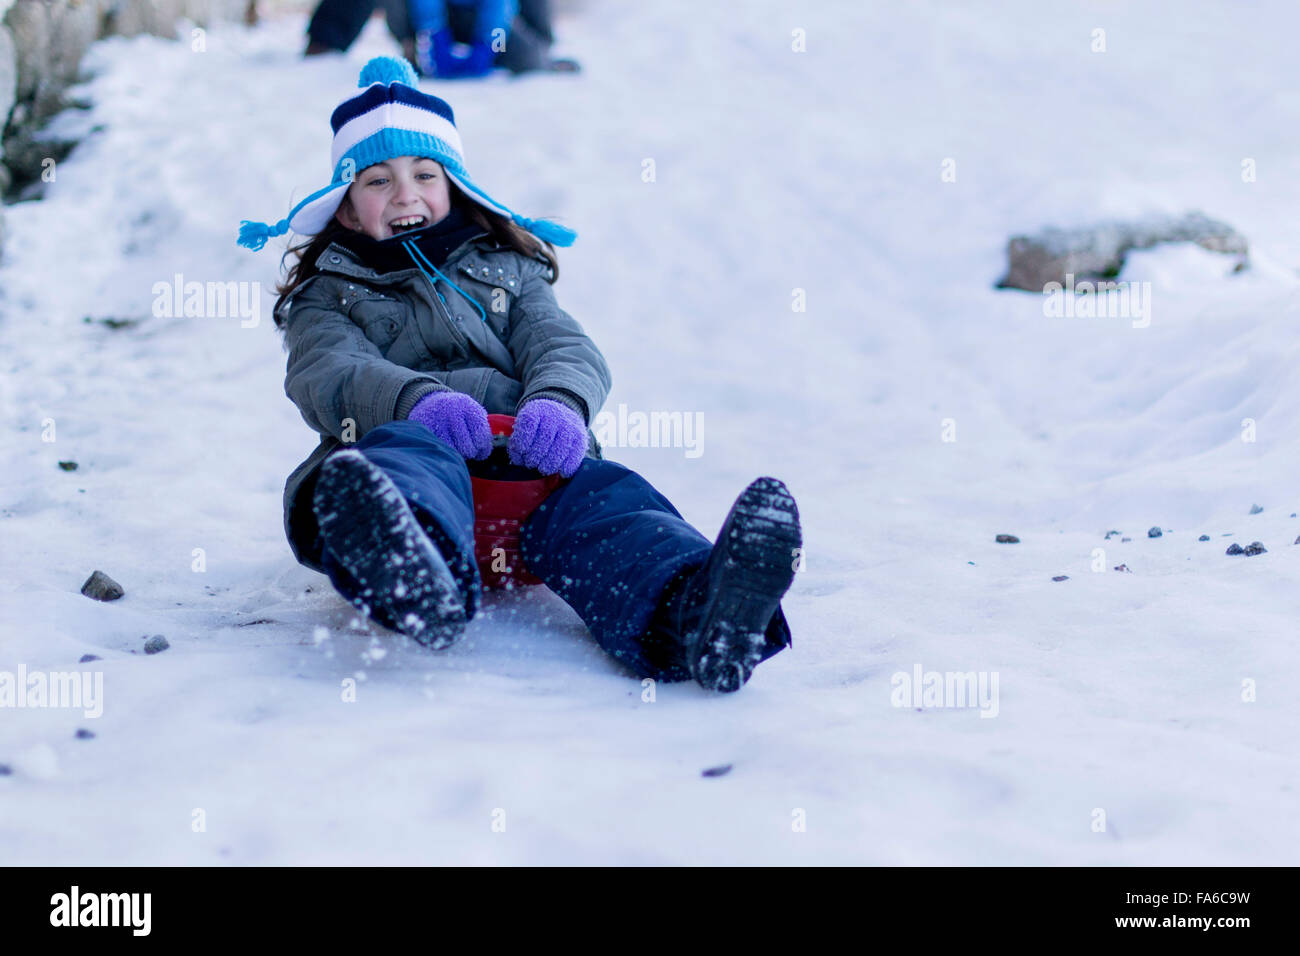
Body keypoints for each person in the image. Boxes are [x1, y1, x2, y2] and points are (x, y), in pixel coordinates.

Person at [236, 57, 800, 692]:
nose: (405, 194)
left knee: (607, 502)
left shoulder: (509, 269)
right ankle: (405, 564)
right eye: (377, 180)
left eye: (424, 174)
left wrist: (560, 403)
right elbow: (329, 369)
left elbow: (560, 342)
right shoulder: (329, 293)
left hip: (525, 468)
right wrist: (414, 401)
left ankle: (697, 613)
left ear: (453, 186)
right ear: (344, 209)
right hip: (409, 459)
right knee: (401, 458)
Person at [304, 0, 576, 76]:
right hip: (434, 16)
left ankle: (541, 57)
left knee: (526, 57)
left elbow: (500, 8)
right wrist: (433, 35)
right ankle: (415, 49)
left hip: (481, 19)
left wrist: (488, 44)